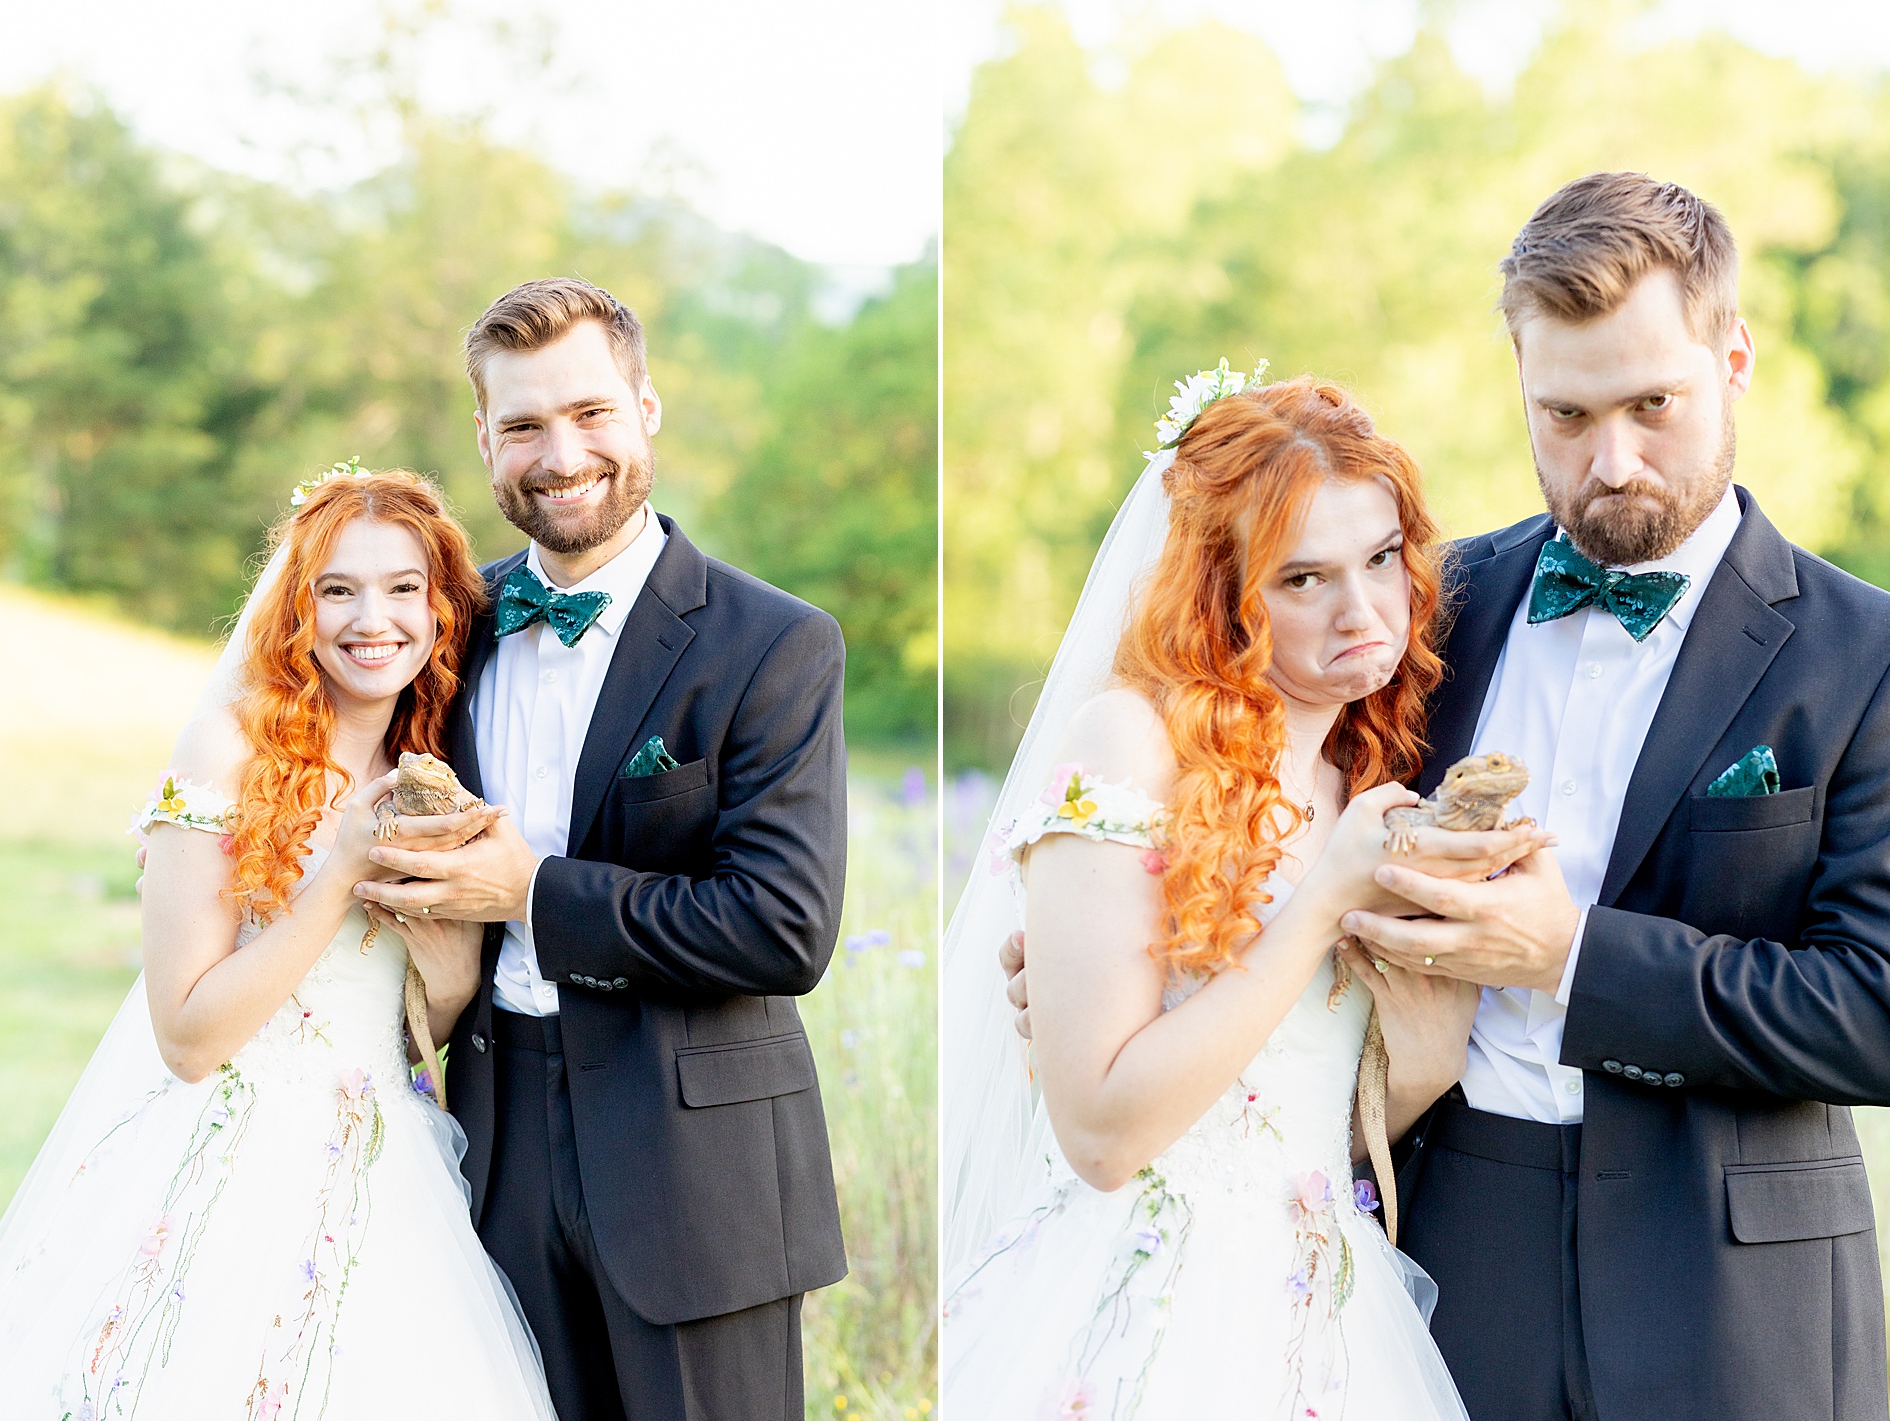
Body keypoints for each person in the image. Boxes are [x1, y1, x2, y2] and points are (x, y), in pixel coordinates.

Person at [1003, 173, 1890, 1421]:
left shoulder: (1863, 653)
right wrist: (1114, 944)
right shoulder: (1425, 608)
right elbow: (1258, 825)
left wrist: (1568, 954)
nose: (1613, 459)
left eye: (1653, 404)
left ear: (1732, 359)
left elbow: (1875, 1004)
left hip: (1734, 1280)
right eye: (1566, 413)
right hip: (1444, 1246)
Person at [941, 370, 1548, 1417]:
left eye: (1378, 559)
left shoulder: (1354, 781)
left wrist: (1427, 1052)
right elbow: (1100, 1133)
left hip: (1327, 1318)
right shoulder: (1129, 744)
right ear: (1224, 594)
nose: (1361, 610)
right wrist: (1323, 901)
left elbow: (1309, 1112)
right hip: (1156, 1303)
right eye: (1302, 578)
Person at [349, 278, 849, 1421]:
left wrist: (532, 890)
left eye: (590, 413)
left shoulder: (772, 643)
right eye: (522, 424)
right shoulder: (441, 629)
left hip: (697, 1163)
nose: (560, 452)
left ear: (646, 408)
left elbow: (782, 924)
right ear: (483, 440)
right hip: (489, 1134)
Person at [0, 468, 561, 1419]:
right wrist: (338, 870)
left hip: (388, 1181)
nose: (370, 618)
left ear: (439, 608)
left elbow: (426, 1022)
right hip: (230, 1164)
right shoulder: (223, 754)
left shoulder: (430, 768)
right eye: (338, 589)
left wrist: (453, 959)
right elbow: (186, 1036)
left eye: (401, 588)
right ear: (299, 608)